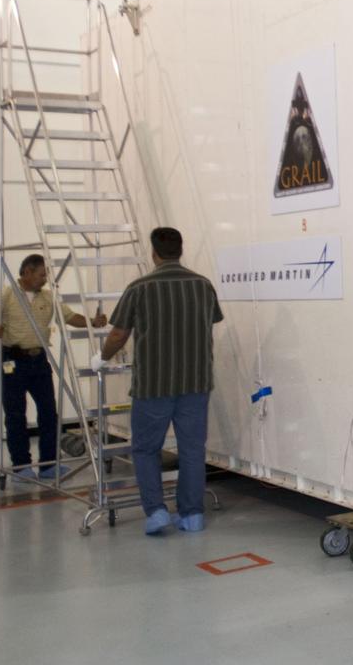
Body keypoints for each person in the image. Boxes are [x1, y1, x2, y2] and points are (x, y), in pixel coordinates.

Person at [93, 227, 223, 535]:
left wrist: (102, 357)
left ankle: (156, 512)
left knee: (146, 449)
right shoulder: (203, 285)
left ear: (153, 253)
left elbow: (118, 334)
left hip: (153, 385)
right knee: (192, 450)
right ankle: (192, 515)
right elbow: (211, 322)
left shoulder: (139, 287)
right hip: (195, 382)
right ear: (181, 249)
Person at [0, 254, 107, 480]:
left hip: (38, 361)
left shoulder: (47, 297)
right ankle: (21, 467)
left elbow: (69, 317)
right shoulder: (5, 295)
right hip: (11, 361)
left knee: (49, 413)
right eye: (42, 275)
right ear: (27, 272)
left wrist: (92, 321)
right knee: (15, 415)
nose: (45, 279)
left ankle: (48, 465)